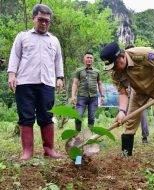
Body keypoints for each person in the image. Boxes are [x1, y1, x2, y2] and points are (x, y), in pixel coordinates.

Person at [100, 42, 154, 166]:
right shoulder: (115, 72)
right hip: (138, 91)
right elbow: (123, 93)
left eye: (115, 65)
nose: (114, 69)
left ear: (122, 57)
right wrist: (121, 111)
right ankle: (126, 154)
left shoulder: (143, 54)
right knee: (130, 120)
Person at [7, 4, 64, 160]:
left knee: (47, 116)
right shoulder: (22, 36)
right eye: (41, 20)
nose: (44, 23)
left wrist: (59, 78)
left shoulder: (54, 40)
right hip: (25, 82)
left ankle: (49, 149)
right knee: (26, 116)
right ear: (33, 19)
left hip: (47, 83)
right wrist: (12, 75)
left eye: (47, 21)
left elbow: (58, 61)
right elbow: (15, 56)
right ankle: (27, 151)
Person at [71, 51, 104, 131]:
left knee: (91, 118)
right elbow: (75, 83)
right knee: (78, 117)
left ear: (93, 60)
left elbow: (100, 84)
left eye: (91, 58)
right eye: (87, 57)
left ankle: (90, 135)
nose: (89, 59)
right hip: (81, 97)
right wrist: (73, 95)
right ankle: (77, 134)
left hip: (93, 98)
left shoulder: (97, 72)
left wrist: (102, 96)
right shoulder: (79, 70)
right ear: (84, 59)